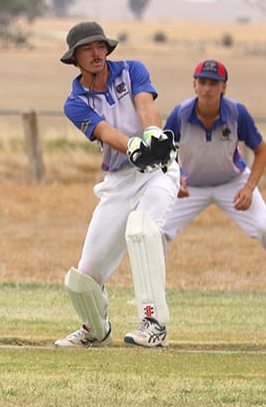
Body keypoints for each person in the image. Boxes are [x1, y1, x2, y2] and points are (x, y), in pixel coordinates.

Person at [55, 21, 181, 348]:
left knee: (142, 232)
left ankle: (154, 324)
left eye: (100, 46)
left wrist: (152, 136)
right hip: (119, 179)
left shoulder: (131, 70)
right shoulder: (74, 102)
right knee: (85, 277)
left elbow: (145, 106)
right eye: (87, 49)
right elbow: (104, 132)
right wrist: (132, 147)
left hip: (157, 170)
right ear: (75, 58)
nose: (96, 54)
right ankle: (96, 330)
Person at [161, 58, 266, 309]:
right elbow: (163, 152)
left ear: (224, 87)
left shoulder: (236, 113)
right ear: (194, 85)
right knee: (156, 232)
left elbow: (262, 151)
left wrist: (249, 188)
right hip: (191, 186)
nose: (207, 88)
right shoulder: (180, 114)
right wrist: (175, 177)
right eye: (202, 82)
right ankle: (154, 297)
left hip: (233, 183)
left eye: (214, 83)